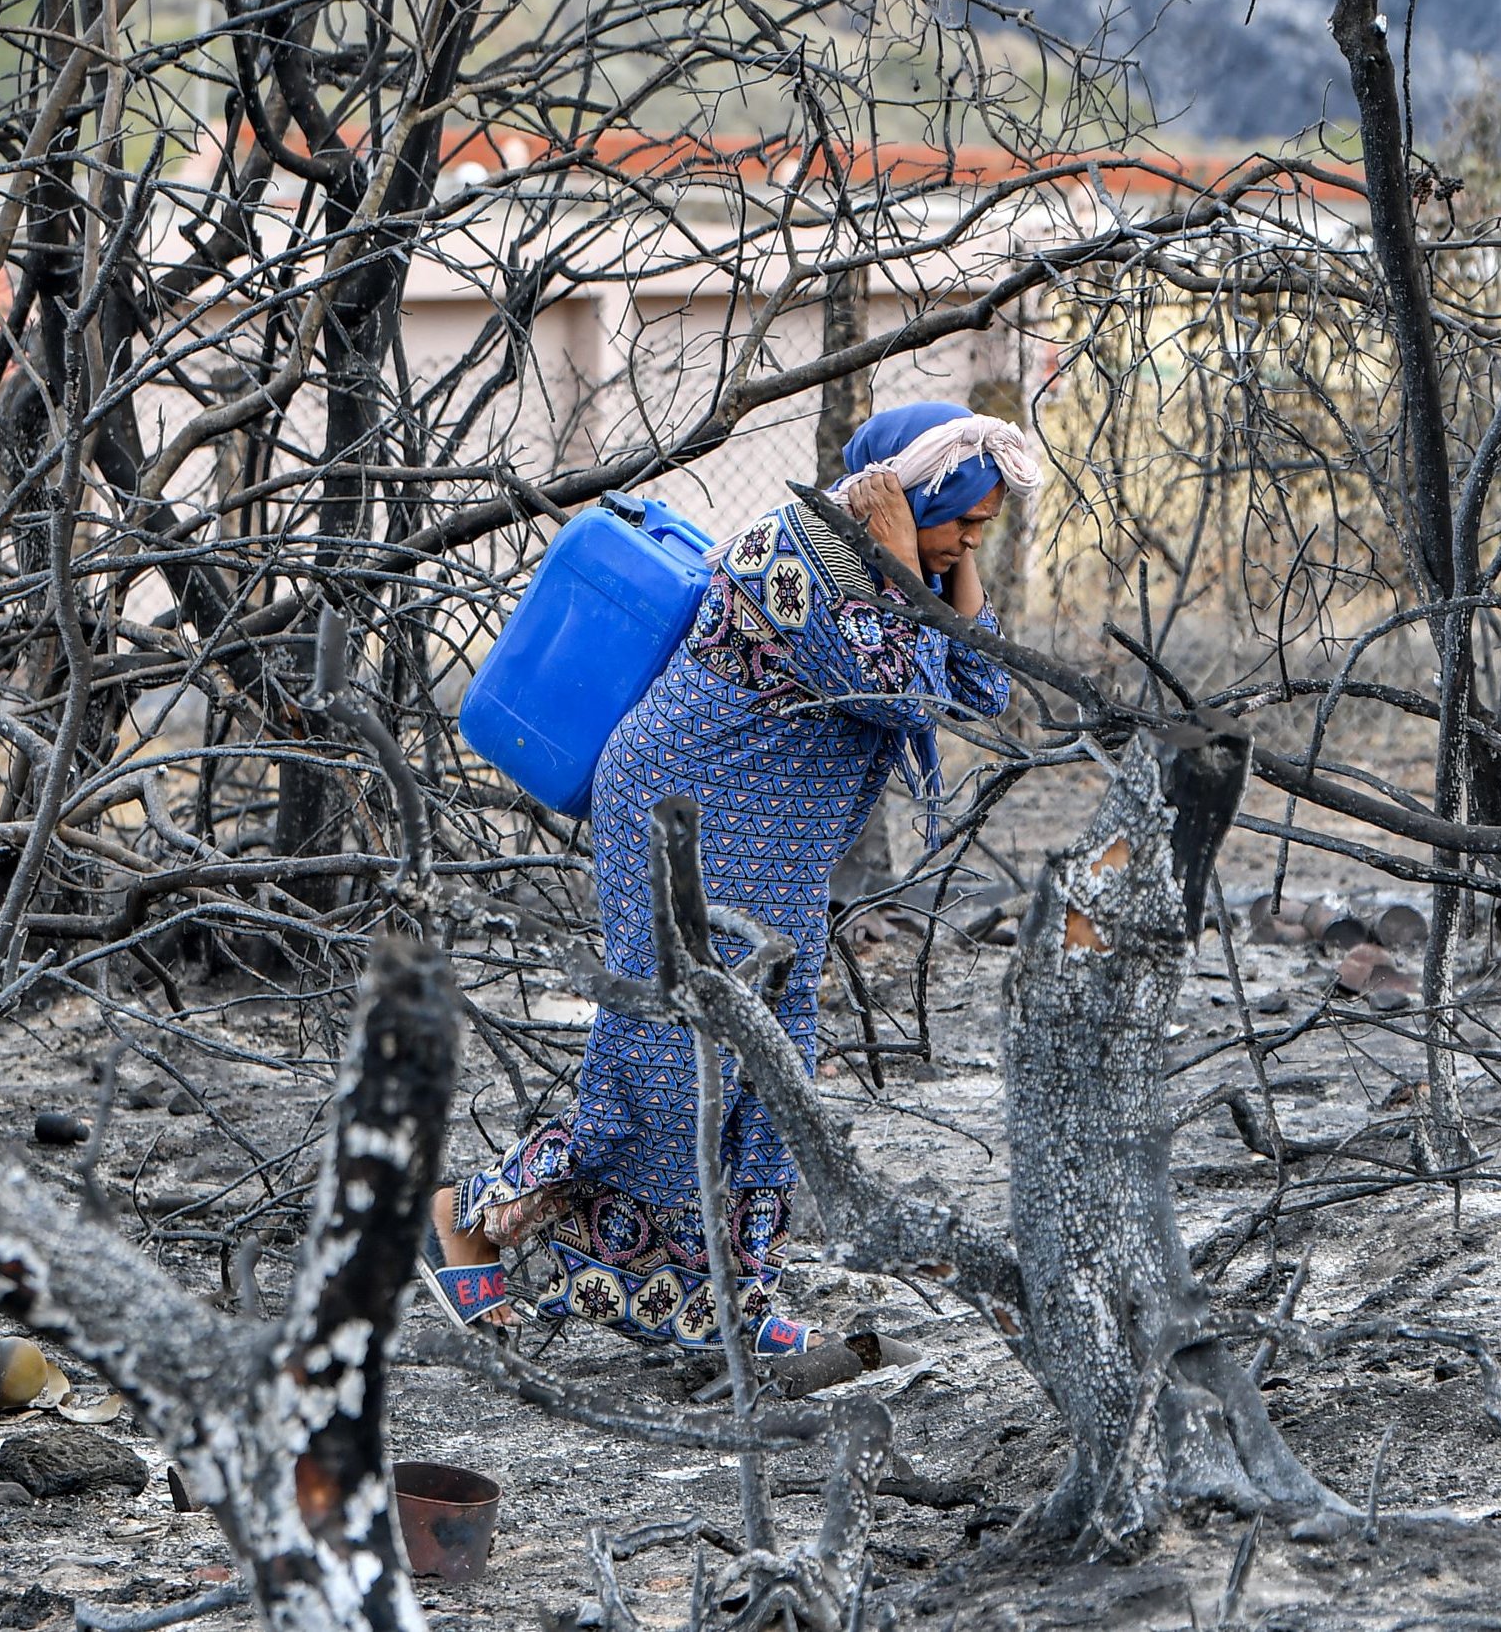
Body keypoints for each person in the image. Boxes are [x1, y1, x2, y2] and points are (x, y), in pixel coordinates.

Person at [421, 400, 1042, 1355]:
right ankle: (467, 1211)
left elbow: (980, 685)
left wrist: (937, 564)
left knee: (763, 1071)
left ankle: (722, 1307)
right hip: (683, 819)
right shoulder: (799, 552)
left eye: (981, 527)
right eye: (961, 518)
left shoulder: (880, 567)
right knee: (665, 1061)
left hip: (768, 848)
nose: (972, 539)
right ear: (906, 495)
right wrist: (906, 560)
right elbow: (902, 691)